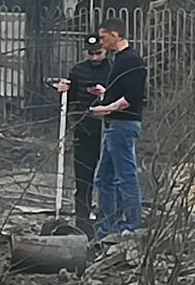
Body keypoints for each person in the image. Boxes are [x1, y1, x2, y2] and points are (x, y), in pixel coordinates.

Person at [89, 17, 147, 238]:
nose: (101, 43)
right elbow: (121, 90)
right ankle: (107, 227)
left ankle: (133, 223)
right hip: (115, 123)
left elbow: (132, 97)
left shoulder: (131, 60)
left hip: (123, 123)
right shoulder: (120, 60)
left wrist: (106, 109)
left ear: (115, 35)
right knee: (104, 178)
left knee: (125, 174)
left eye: (103, 37)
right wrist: (104, 93)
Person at [56, 35, 112, 234]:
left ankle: (107, 221)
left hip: (107, 130)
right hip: (83, 128)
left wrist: (104, 94)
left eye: (98, 53)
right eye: (91, 54)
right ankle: (82, 222)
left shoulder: (113, 69)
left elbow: (125, 98)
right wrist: (62, 91)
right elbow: (68, 100)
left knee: (107, 178)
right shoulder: (78, 70)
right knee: (83, 178)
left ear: (105, 51)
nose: (95, 58)